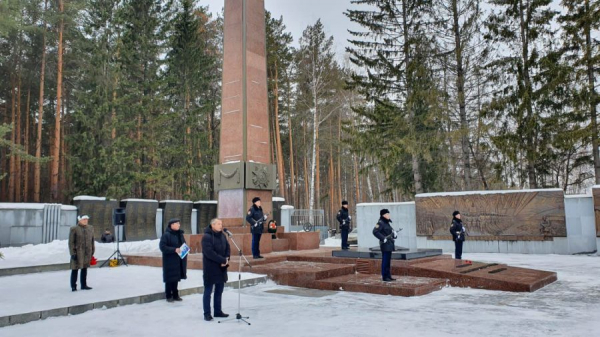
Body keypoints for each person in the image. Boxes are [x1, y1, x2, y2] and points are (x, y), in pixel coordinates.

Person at [202, 218, 231, 322]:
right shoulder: (207, 237)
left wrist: (227, 259)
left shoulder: (223, 235)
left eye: (221, 224)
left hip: (221, 268)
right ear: (212, 225)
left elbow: (228, 248)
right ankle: (207, 313)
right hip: (210, 268)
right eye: (218, 224)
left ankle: (218, 311)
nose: (220, 225)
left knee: (219, 290)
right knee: (208, 291)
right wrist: (222, 259)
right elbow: (209, 252)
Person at [159, 218, 188, 303]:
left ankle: (175, 295)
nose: (179, 225)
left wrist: (185, 249)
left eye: (179, 223)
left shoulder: (180, 234)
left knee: (176, 277)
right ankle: (168, 295)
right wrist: (174, 249)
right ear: (172, 225)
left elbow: (183, 244)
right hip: (170, 260)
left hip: (179, 259)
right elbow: (162, 247)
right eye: (177, 223)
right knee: (169, 278)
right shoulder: (166, 235)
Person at [69, 215, 95, 291]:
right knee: (75, 269)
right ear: (79, 220)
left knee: (84, 269)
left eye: (87, 219)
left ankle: (84, 285)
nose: (86, 221)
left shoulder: (90, 228)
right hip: (78, 252)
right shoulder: (74, 229)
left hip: (87, 252)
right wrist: (72, 253)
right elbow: (71, 242)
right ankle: (73, 286)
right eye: (84, 219)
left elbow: (92, 240)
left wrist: (92, 250)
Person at [372, 209, 396, 282]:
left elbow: (390, 232)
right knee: (385, 261)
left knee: (388, 261)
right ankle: (385, 276)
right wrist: (383, 238)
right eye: (387, 214)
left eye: (389, 214)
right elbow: (375, 231)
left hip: (389, 244)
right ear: (384, 215)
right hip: (385, 245)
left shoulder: (387, 223)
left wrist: (394, 234)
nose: (389, 215)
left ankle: (388, 276)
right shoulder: (381, 223)